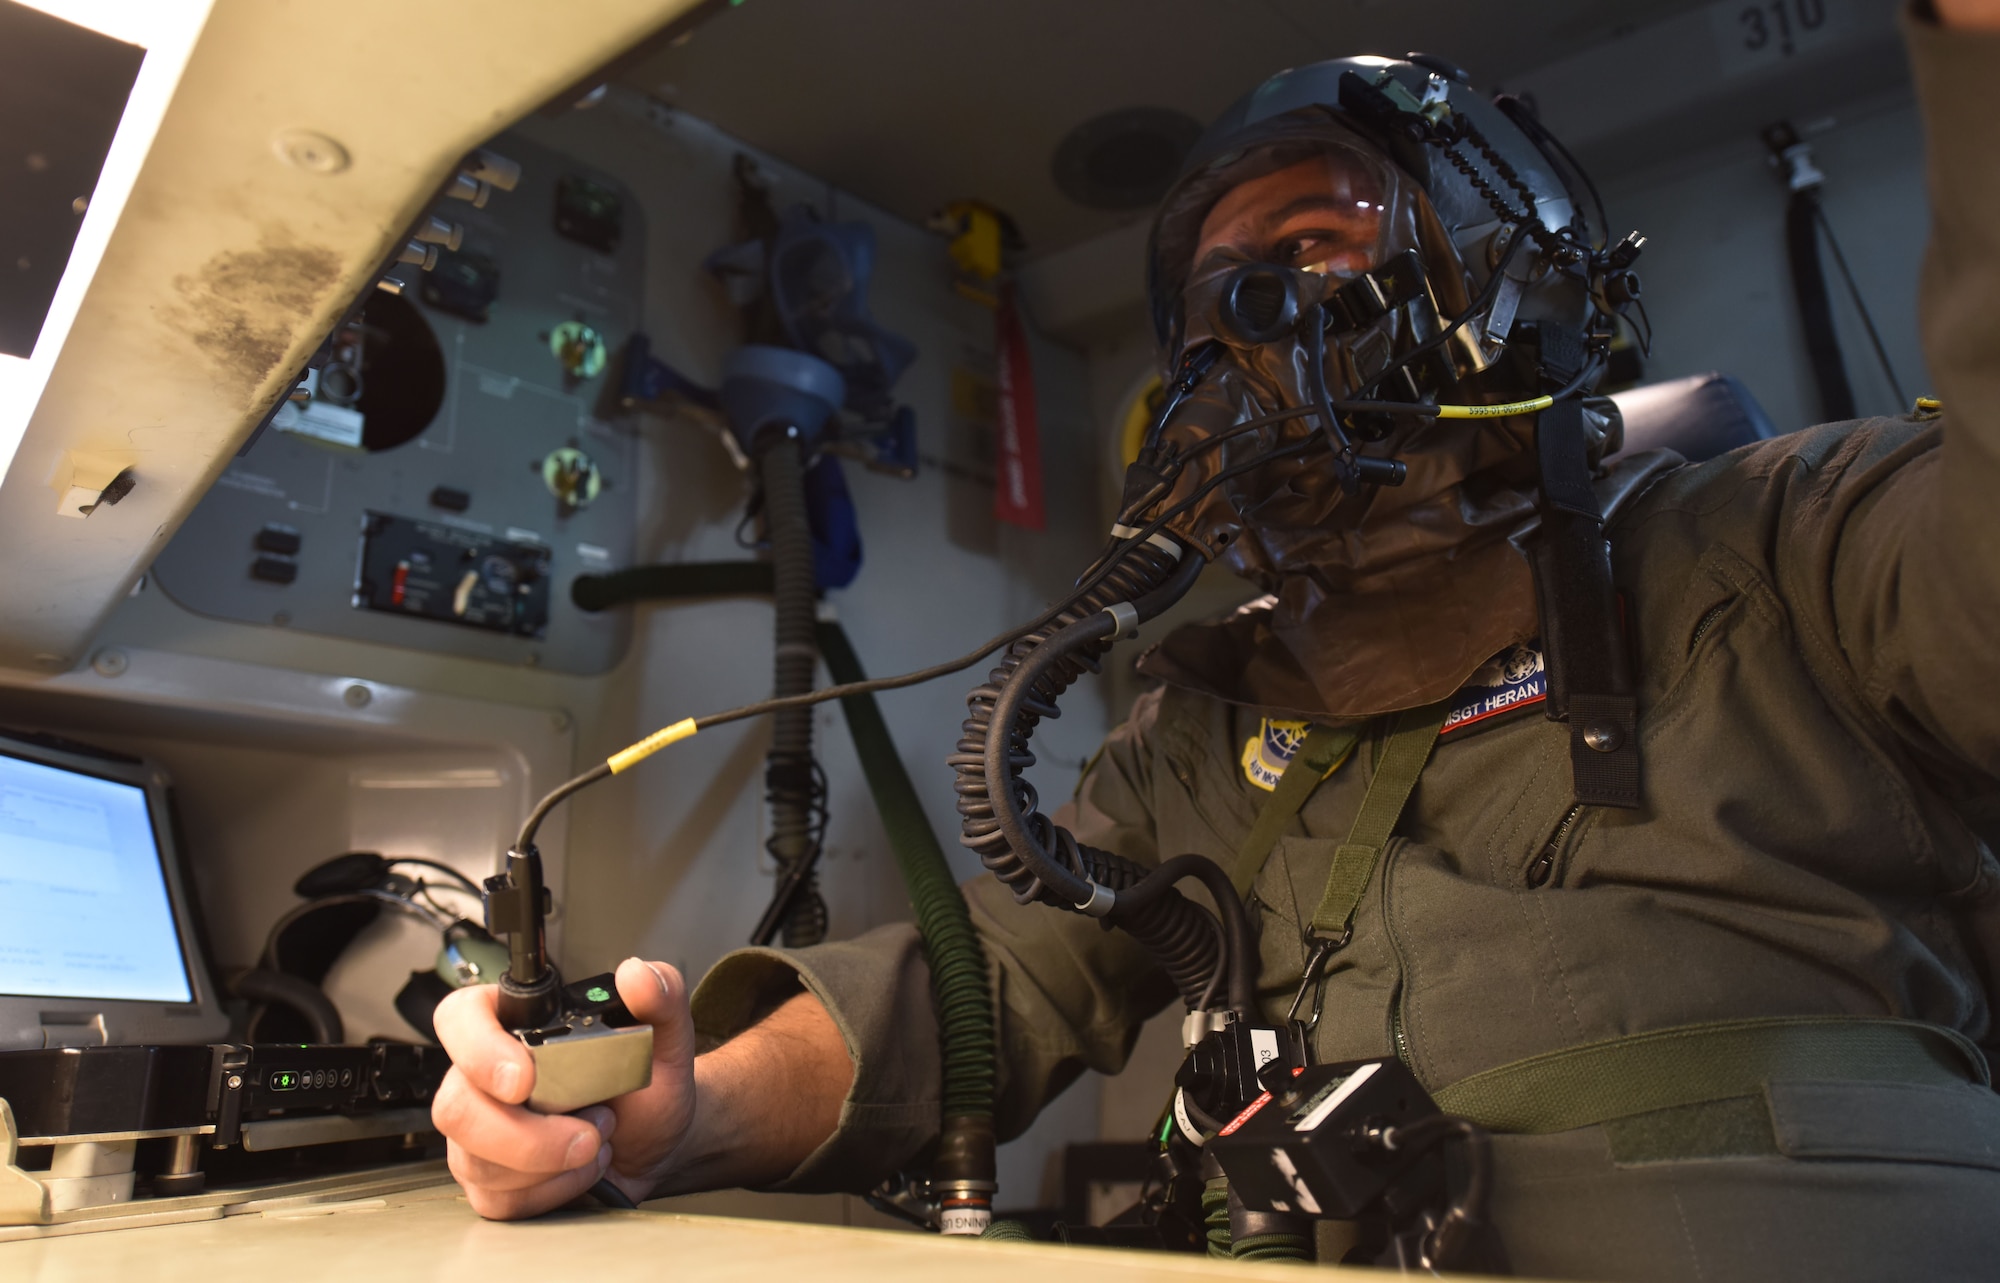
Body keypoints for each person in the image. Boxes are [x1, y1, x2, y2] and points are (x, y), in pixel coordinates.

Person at [431, 3, 2000, 1276]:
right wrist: (673, 1111)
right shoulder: (1196, 737)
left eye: (1314, 250)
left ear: (1501, 288)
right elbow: (978, 994)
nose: (1258, 325)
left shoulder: (1801, 544)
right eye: (1215, 309)